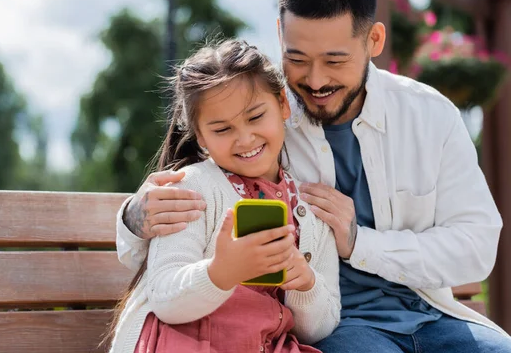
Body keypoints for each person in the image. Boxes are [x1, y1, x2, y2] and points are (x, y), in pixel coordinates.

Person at [115, 0, 511, 353]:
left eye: (334, 61)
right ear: (280, 36)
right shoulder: (263, 113)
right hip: (339, 331)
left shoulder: (429, 115)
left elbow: (476, 247)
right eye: (298, 59)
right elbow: (181, 215)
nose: (316, 81)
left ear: (374, 40)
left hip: (431, 313)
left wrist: (359, 243)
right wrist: (135, 217)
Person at [108, 39, 340, 353]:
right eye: (222, 129)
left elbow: (320, 328)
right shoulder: (190, 190)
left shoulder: (309, 211)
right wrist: (220, 273)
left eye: (256, 117)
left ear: (283, 104)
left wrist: (305, 284)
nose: (245, 138)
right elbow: (164, 298)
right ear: (200, 136)